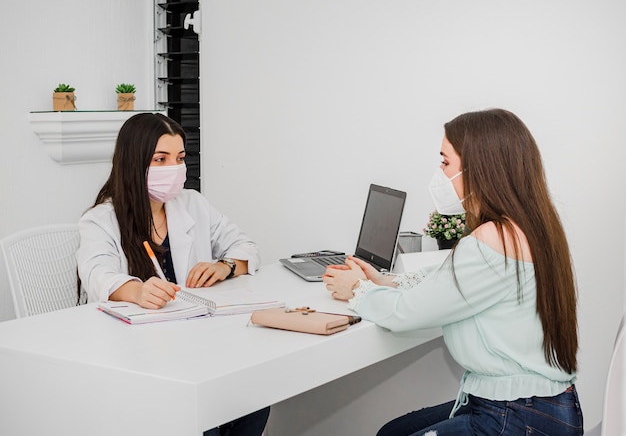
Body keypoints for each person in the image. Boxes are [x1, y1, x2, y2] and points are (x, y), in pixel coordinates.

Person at [322, 108, 583, 435]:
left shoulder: (493, 239)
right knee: (393, 431)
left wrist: (358, 290)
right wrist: (383, 280)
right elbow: (447, 284)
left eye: (445, 162)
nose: (439, 172)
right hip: (541, 408)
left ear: (480, 169)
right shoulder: (531, 228)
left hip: (517, 415)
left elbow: (406, 314)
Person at [76, 112, 269, 436]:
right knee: (200, 418)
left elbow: (245, 245)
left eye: (179, 158)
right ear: (134, 162)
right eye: (161, 158)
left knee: (255, 397)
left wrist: (225, 266)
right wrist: (136, 290)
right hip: (137, 355)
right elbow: (98, 274)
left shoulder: (192, 203)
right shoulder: (101, 219)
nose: (174, 169)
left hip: (196, 342)